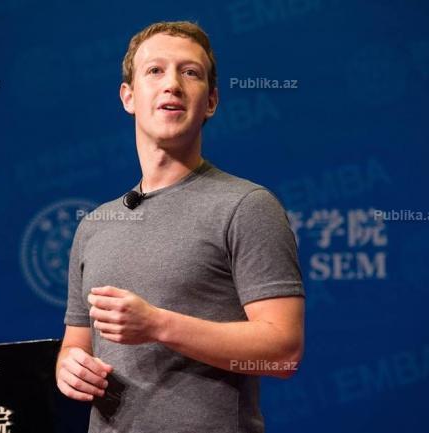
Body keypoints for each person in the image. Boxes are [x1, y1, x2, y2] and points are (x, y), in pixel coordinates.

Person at [55, 21, 305, 433]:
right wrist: (68, 367)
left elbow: (282, 353)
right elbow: (75, 344)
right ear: (128, 96)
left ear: (211, 101)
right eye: (155, 70)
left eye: (190, 72)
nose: (172, 84)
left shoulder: (246, 206)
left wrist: (158, 325)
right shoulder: (95, 226)